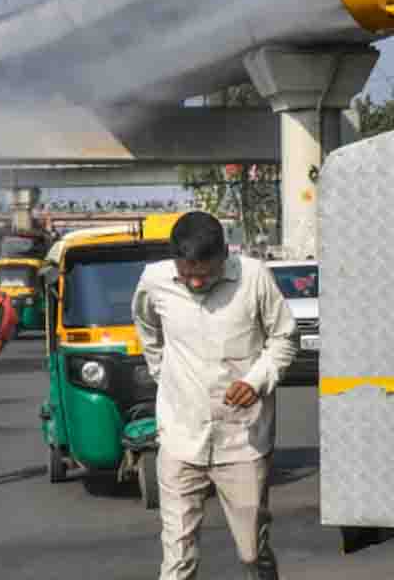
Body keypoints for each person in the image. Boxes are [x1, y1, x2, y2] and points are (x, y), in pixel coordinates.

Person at [132, 211, 297, 580]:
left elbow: (285, 338)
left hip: (242, 440)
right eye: (186, 271)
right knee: (178, 558)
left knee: (253, 552)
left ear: (225, 255)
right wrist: (167, 377)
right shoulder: (154, 282)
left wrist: (256, 381)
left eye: (204, 272)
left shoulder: (253, 278)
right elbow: (147, 331)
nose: (194, 280)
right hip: (180, 436)